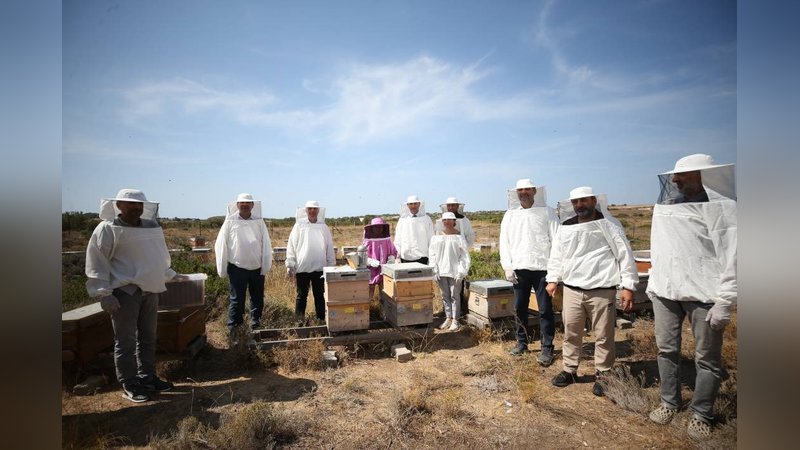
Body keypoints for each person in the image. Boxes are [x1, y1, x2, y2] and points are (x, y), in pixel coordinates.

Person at [645, 154, 737, 440]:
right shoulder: (666, 206)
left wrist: (726, 300)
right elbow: (659, 247)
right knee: (666, 351)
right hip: (665, 291)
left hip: (705, 294)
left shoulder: (725, 209)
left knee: (707, 359)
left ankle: (701, 414)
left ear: (702, 176)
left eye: (681, 175)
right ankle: (669, 402)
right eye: (674, 176)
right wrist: (653, 280)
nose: (674, 180)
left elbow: (734, 256)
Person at [85, 189, 186, 403]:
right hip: (124, 291)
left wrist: (170, 274)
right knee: (126, 341)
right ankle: (129, 383)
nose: (136, 208)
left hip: (150, 289)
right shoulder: (107, 228)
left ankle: (147, 378)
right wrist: (103, 294)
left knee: (148, 338)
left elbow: (158, 256)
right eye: (131, 204)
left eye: (139, 205)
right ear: (119, 205)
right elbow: (97, 261)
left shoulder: (151, 227)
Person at [545, 187, 638, 396]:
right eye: (576, 202)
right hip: (572, 289)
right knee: (571, 332)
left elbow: (624, 254)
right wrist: (552, 279)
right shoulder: (565, 226)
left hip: (602, 289)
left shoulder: (610, 224)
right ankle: (569, 370)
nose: (580, 205)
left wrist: (628, 285)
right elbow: (557, 255)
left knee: (604, 335)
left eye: (584, 201)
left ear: (594, 200)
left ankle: (603, 373)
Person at [499, 178, 559, 363]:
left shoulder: (548, 212)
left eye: (527, 189)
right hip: (519, 269)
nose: (523, 193)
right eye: (520, 190)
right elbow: (504, 242)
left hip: (543, 269)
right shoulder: (510, 215)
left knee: (545, 310)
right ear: (516, 193)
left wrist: (554, 274)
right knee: (519, 308)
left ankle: (547, 348)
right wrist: (507, 266)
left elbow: (557, 241)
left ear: (534, 191)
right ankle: (521, 343)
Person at [214, 193, 273, 336]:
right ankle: (235, 329)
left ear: (253, 205)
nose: (245, 205)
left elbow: (266, 243)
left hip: (256, 267)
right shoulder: (230, 221)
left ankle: (255, 326)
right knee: (236, 300)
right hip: (237, 268)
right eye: (242, 203)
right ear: (237, 205)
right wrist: (222, 268)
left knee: (257, 299)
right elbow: (221, 245)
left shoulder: (259, 221)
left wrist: (265, 265)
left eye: (248, 203)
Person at [286, 200, 336, 321]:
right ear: (306, 211)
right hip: (302, 267)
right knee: (301, 296)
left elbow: (329, 246)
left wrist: (331, 265)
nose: (312, 211)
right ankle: (298, 322)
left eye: (314, 209)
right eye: (310, 209)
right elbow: (291, 245)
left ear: (318, 211)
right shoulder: (298, 226)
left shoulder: (324, 227)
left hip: (320, 268)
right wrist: (290, 263)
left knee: (320, 296)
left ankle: (321, 320)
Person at [429, 212, 471, 331]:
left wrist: (462, 271)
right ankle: (448, 318)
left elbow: (464, 256)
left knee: (454, 296)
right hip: (441, 271)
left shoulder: (459, 237)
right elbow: (432, 254)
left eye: (449, 220)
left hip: (455, 271)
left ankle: (456, 320)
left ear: (454, 222)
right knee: (445, 296)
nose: (446, 222)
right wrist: (434, 269)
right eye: (444, 220)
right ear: (442, 222)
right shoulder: (436, 237)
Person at [361, 217, 398, 301]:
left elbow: (393, 251)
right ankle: (369, 310)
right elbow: (362, 255)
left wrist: (391, 259)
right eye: (376, 227)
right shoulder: (368, 241)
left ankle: (384, 311)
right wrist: (370, 261)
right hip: (371, 269)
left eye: (380, 227)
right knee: (370, 289)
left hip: (385, 269)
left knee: (385, 291)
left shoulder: (387, 240)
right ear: (372, 228)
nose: (378, 229)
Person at [393, 195, 435, 265]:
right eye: (411, 204)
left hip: (422, 257)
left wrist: (432, 257)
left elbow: (431, 238)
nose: (413, 206)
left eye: (415, 203)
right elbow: (398, 239)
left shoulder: (427, 219)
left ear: (419, 204)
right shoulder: (402, 220)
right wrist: (397, 255)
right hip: (405, 258)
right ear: (407, 205)